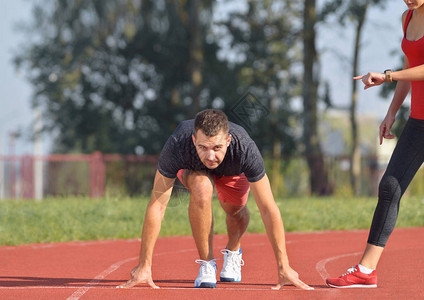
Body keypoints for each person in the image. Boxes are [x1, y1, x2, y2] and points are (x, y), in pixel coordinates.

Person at [118, 109, 312, 290]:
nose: (211, 156)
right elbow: (158, 205)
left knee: (235, 211)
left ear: (228, 140)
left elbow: (268, 209)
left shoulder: (245, 149)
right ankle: (207, 264)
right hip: (194, 171)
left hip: (233, 172)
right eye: (203, 147)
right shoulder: (178, 143)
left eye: (217, 147)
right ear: (193, 140)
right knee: (202, 187)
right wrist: (144, 265)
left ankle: (233, 250)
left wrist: (283, 266)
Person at [327, 0, 424, 288]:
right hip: (419, 120)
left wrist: (388, 76)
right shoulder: (407, 18)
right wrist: (392, 111)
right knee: (390, 187)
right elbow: (412, 65)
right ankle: (366, 270)